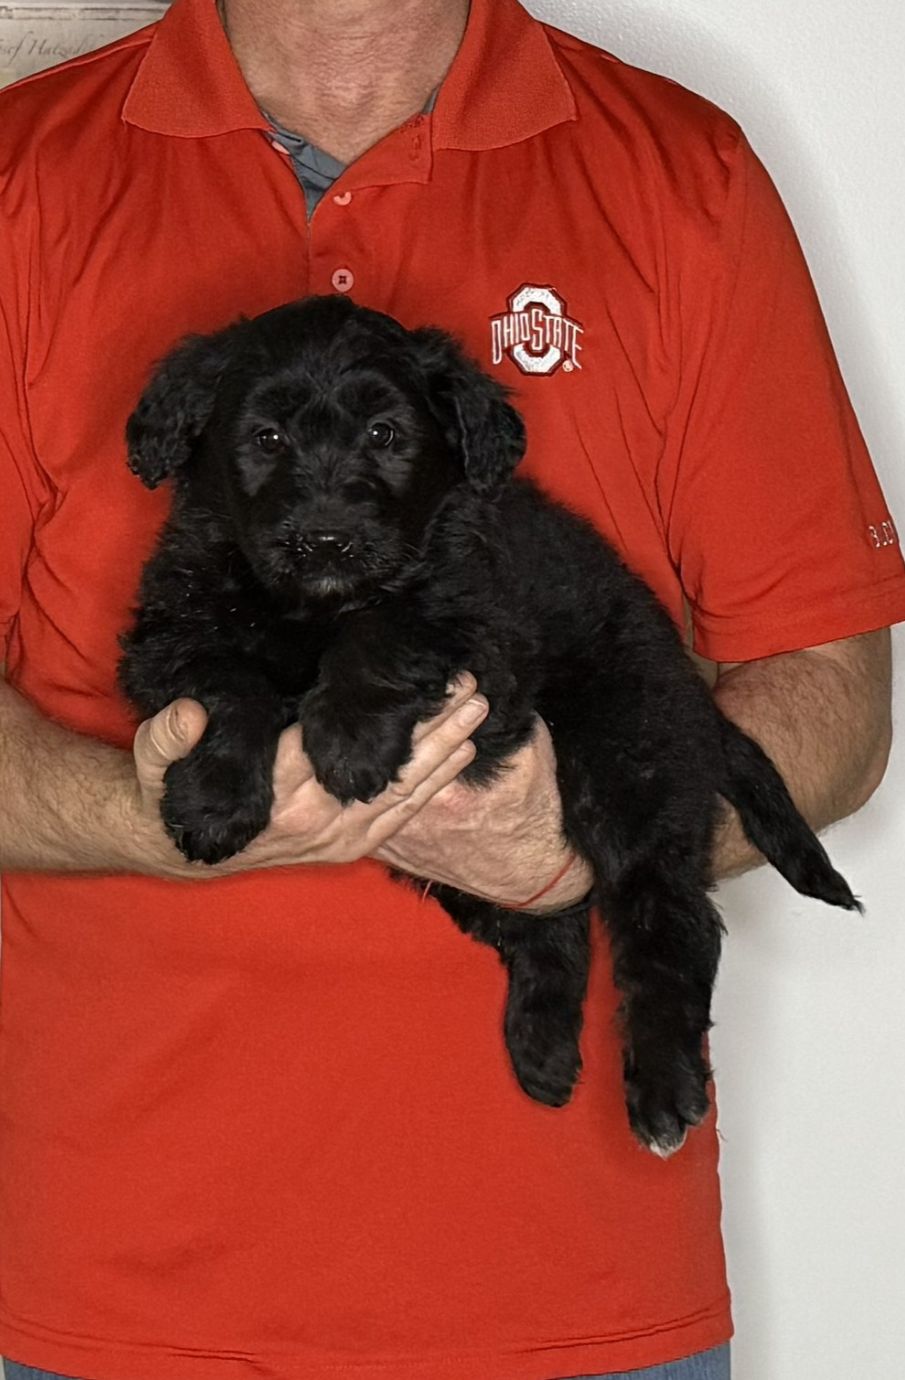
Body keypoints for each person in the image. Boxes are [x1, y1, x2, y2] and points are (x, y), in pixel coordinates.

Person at [0, 0, 902, 1376]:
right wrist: (150, 814)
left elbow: (828, 689)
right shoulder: (22, 179)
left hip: (571, 1297)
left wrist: (575, 845)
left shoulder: (679, 176)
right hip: (116, 1298)